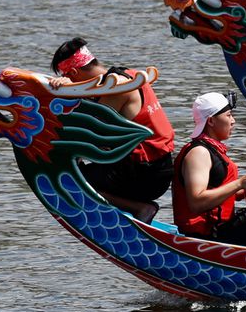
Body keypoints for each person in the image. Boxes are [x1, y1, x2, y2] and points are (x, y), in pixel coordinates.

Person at [49, 38, 174, 223]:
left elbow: (91, 133)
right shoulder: (128, 74)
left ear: (73, 72)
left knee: (68, 180)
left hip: (146, 176)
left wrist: (66, 91)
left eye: (70, 77)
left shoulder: (115, 87)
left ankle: (141, 208)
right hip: (160, 167)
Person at [171, 92, 246, 249]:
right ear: (211, 121)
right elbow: (196, 202)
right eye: (229, 115)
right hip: (208, 235)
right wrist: (239, 183)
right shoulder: (199, 153)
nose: (233, 121)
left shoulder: (212, 149)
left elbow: (221, 193)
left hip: (219, 228)